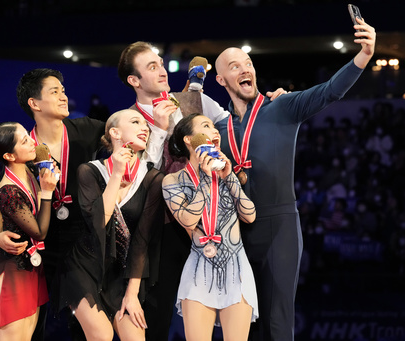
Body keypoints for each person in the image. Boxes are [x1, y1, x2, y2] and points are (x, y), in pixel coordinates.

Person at [213, 17, 376, 341]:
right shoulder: (218, 128)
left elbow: (329, 92)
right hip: (236, 232)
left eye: (248, 63)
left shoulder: (282, 105)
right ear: (221, 79)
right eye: (234, 66)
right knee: (244, 327)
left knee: (277, 322)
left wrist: (365, 55)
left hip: (279, 227)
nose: (245, 69)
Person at [117, 41, 286, 341]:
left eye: (160, 62)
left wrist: (271, 106)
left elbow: (236, 122)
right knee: (157, 319)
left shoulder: (193, 101)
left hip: (217, 227)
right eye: (152, 67)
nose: (161, 70)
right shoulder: (127, 120)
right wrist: (156, 130)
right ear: (134, 80)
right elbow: (136, 181)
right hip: (163, 231)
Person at [59, 109, 164, 340]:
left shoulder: (153, 178)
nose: (144, 128)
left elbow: (142, 240)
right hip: (85, 266)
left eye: (146, 125)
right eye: (136, 121)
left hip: (123, 272)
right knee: (102, 336)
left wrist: (132, 293)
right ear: (114, 132)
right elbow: (98, 222)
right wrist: (116, 174)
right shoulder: (89, 170)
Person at [162, 113, 258, 341]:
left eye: (215, 127)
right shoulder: (173, 181)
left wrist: (229, 176)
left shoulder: (228, 174)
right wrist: (206, 178)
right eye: (206, 126)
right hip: (198, 269)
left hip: (236, 267)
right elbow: (187, 220)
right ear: (189, 140)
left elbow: (250, 216)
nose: (215, 131)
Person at [0, 122, 59, 340]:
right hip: (13, 273)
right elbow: (39, 233)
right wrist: (47, 191)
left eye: (27, 136)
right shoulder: (9, 191)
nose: (33, 141)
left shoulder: (30, 169)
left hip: (31, 271)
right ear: (9, 156)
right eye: (24, 141)